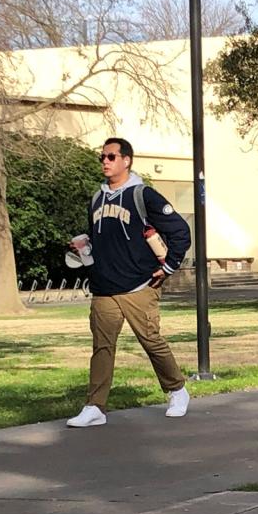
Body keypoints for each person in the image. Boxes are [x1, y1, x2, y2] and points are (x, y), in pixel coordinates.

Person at [66, 137, 192, 428]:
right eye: (102, 157)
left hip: (139, 286)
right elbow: (101, 239)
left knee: (151, 341)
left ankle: (177, 390)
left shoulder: (143, 195)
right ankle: (95, 406)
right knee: (102, 347)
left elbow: (180, 232)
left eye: (111, 156)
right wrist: (84, 246)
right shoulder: (97, 199)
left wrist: (170, 265)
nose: (105, 162)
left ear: (126, 160)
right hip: (104, 288)